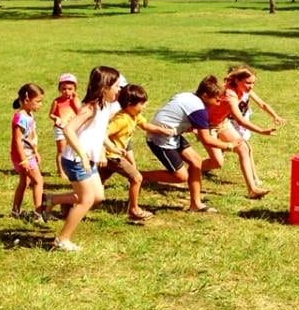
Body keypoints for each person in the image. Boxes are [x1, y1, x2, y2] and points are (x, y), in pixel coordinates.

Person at [45, 66, 122, 252]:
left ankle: (52, 199)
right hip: (76, 160)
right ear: (104, 87)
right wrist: (81, 154)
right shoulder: (90, 108)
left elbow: (99, 130)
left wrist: (109, 146)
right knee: (86, 200)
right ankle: (62, 240)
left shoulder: (106, 106)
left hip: (88, 159)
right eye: (117, 86)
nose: (119, 90)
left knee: (98, 197)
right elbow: (68, 129)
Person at [142, 76, 242, 213]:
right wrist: (229, 145)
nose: (219, 102)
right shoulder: (199, 110)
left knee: (196, 161)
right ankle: (139, 176)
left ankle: (196, 204)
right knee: (180, 177)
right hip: (160, 140)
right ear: (205, 96)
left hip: (173, 135)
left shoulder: (188, 95)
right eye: (217, 99)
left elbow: (178, 116)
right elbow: (206, 139)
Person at [204, 64, 284, 199]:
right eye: (248, 83)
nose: (251, 86)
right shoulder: (229, 94)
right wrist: (262, 130)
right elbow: (240, 120)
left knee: (244, 148)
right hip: (207, 125)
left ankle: (252, 190)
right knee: (217, 163)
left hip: (222, 123)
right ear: (237, 81)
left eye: (253, 83)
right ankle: (192, 167)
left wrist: (275, 115)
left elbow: (261, 104)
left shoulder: (243, 90)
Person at [99, 83, 175, 222]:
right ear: (129, 104)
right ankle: (134, 209)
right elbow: (103, 133)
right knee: (137, 178)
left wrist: (163, 131)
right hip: (113, 157)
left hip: (115, 156)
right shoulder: (122, 119)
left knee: (96, 185)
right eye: (142, 103)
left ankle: (68, 204)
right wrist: (103, 153)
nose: (144, 106)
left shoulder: (134, 115)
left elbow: (145, 125)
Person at [9, 82, 48, 225]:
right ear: (26, 100)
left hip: (29, 154)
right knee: (38, 181)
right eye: (38, 101)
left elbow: (31, 137)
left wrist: (36, 152)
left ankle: (15, 210)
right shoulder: (20, 118)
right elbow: (17, 141)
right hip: (23, 156)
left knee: (24, 182)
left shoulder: (29, 114)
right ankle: (38, 214)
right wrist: (24, 159)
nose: (41, 104)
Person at [48, 73, 81, 181]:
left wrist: (75, 100)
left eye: (70, 89)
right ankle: (60, 171)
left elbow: (80, 112)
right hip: (60, 128)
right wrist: (55, 118)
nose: (67, 91)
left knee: (73, 149)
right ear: (59, 89)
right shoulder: (57, 101)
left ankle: (72, 168)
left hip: (72, 128)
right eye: (64, 89)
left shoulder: (75, 100)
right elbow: (51, 114)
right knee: (61, 150)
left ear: (75, 89)